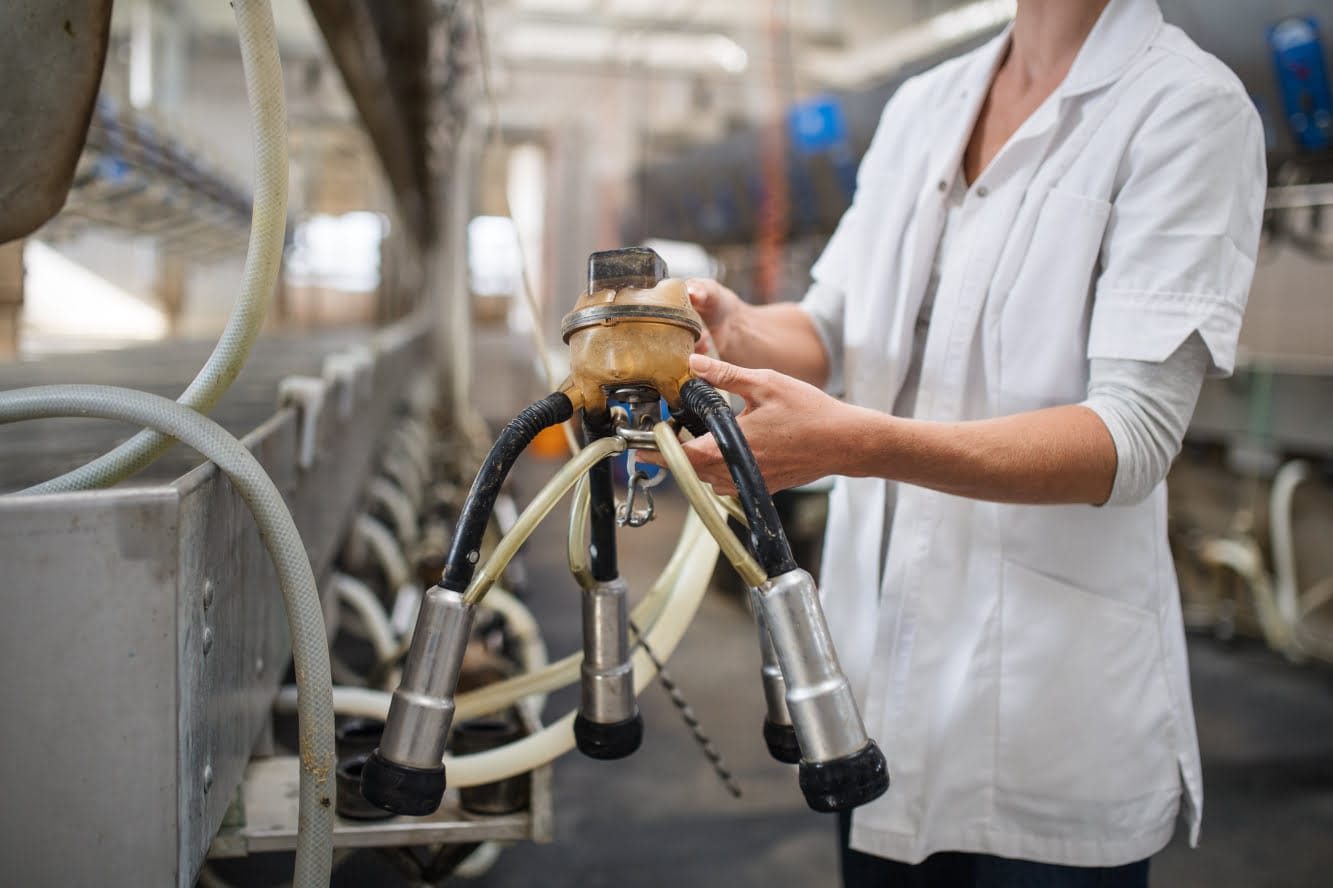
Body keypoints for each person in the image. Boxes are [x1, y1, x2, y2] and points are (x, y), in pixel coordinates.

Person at [664, 0, 1266, 884]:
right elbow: (834, 324)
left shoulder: (1184, 107)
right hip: (870, 684)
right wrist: (734, 325)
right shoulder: (925, 105)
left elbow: (1128, 437)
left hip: (1042, 706)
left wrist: (854, 445)